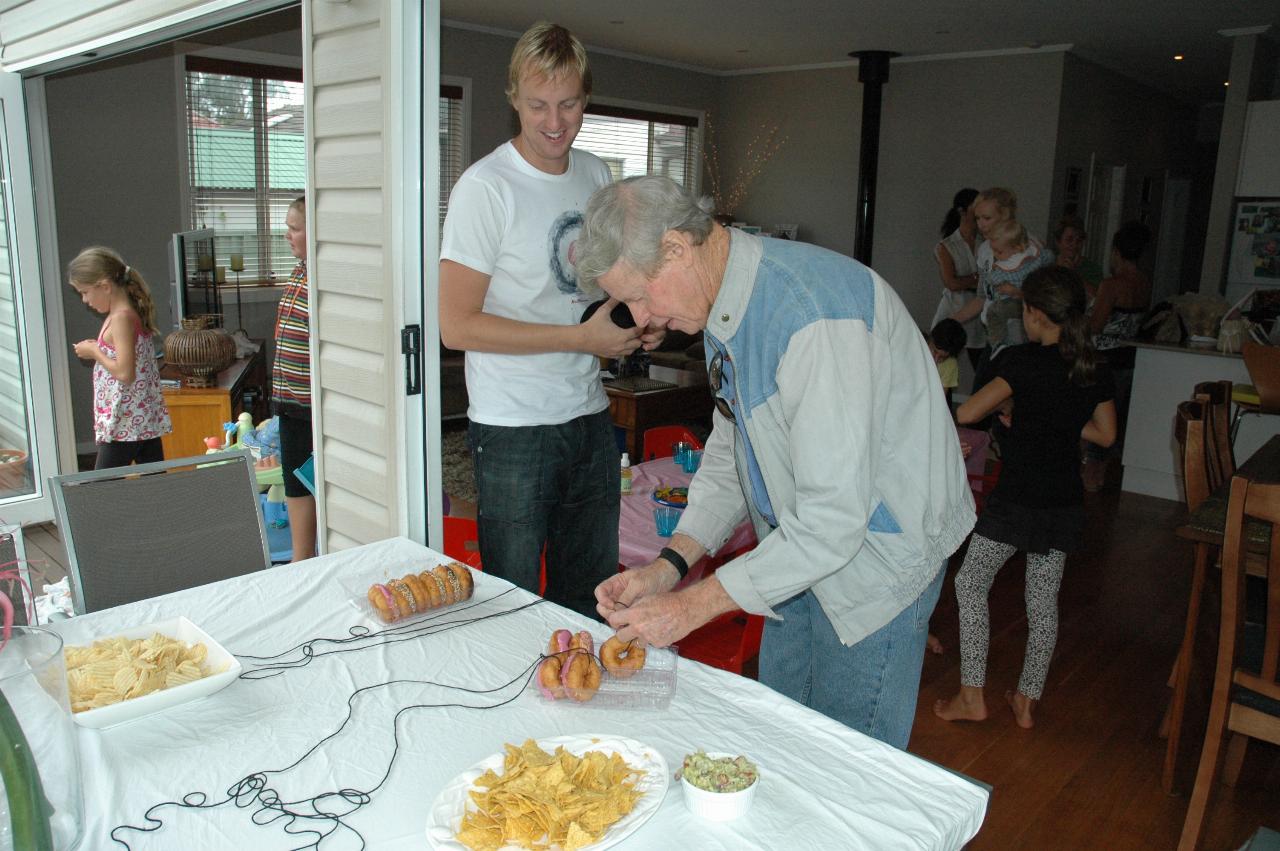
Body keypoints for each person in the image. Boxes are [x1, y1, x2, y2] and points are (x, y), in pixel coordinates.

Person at [577, 175, 975, 748]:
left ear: (675, 248)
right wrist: (670, 563)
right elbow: (730, 450)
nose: (641, 318)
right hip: (795, 557)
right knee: (786, 746)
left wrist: (690, 609)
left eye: (640, 295)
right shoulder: (722, 305)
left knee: (849, 766)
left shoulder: (811, 318)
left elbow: (835, 522)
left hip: (877, 565)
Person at [438, 22, 651, 619]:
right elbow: (457, 326)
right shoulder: (486, 188)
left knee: (588, 598)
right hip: (512, 429)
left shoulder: (595, 175)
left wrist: (639, 321)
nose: (554, 121)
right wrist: (580, 339)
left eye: (568, 104)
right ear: (514, 101)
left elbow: (604, 281)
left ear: (585, 100)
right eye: (537, 105)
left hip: (587, 416)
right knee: (511, 607)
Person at [934, 266, 1117, 729]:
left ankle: (972, 695)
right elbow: (1105, 433)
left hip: (1017, 499)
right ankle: (1026, 700)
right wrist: (1050, 418)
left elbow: (971, 412)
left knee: (971, 584)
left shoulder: (1021, 361)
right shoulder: (1092, 365)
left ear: (1034, 314)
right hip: (1063, 502)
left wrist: (1023, 410)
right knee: (1043, 599)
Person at [69, 247, 172, 470]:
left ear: (104, 286)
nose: (85, 300)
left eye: (85, 292)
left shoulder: (121, 318)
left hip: (125, 422)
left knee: (103, 487)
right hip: (139, 419)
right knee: (155, 483)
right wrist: (98, 347)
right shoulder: (123, 314)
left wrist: (95, 352)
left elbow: (125, 373)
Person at [1081, 220, 1152, 490]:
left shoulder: (1112, 284)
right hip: (1130, 359)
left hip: (1104, 359)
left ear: (1116, 252)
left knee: (1095, 417)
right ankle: (1102, 477)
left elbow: (1096, 325)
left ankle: (1090, 477)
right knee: (1116, 417)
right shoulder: (1143, 282)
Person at [272, 195, 317, 562]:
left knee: (309, 481)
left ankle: (305, 556)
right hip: (288, 400)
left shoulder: (322, 277)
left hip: (310, 403)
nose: (287, 234)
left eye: (294, 228)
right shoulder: (300, 269)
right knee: (293, 480)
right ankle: (301, 559)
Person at [931, 188, 984, 371]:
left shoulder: (986, 243)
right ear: (962, 211)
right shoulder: (947, 245)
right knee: (943, 363)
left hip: (978, 308)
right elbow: (951, 283)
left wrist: (972, 280)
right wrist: (977, 279)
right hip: (954, 306)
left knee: (981, 363)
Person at [1052, 215, 1104, 294]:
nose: (1074, 244)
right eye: (1069, 240)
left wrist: (1074, 274)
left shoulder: (1093, 269)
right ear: (1058, 242)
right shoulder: (1047, 264)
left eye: (1079, 241)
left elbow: (1097, 296)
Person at [928, 317, 966, 411]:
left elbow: (939, 400)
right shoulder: (915, 348)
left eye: (942, 357)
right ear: (930, 340)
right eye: (934, 351)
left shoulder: (950, 365)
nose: (935, 360)